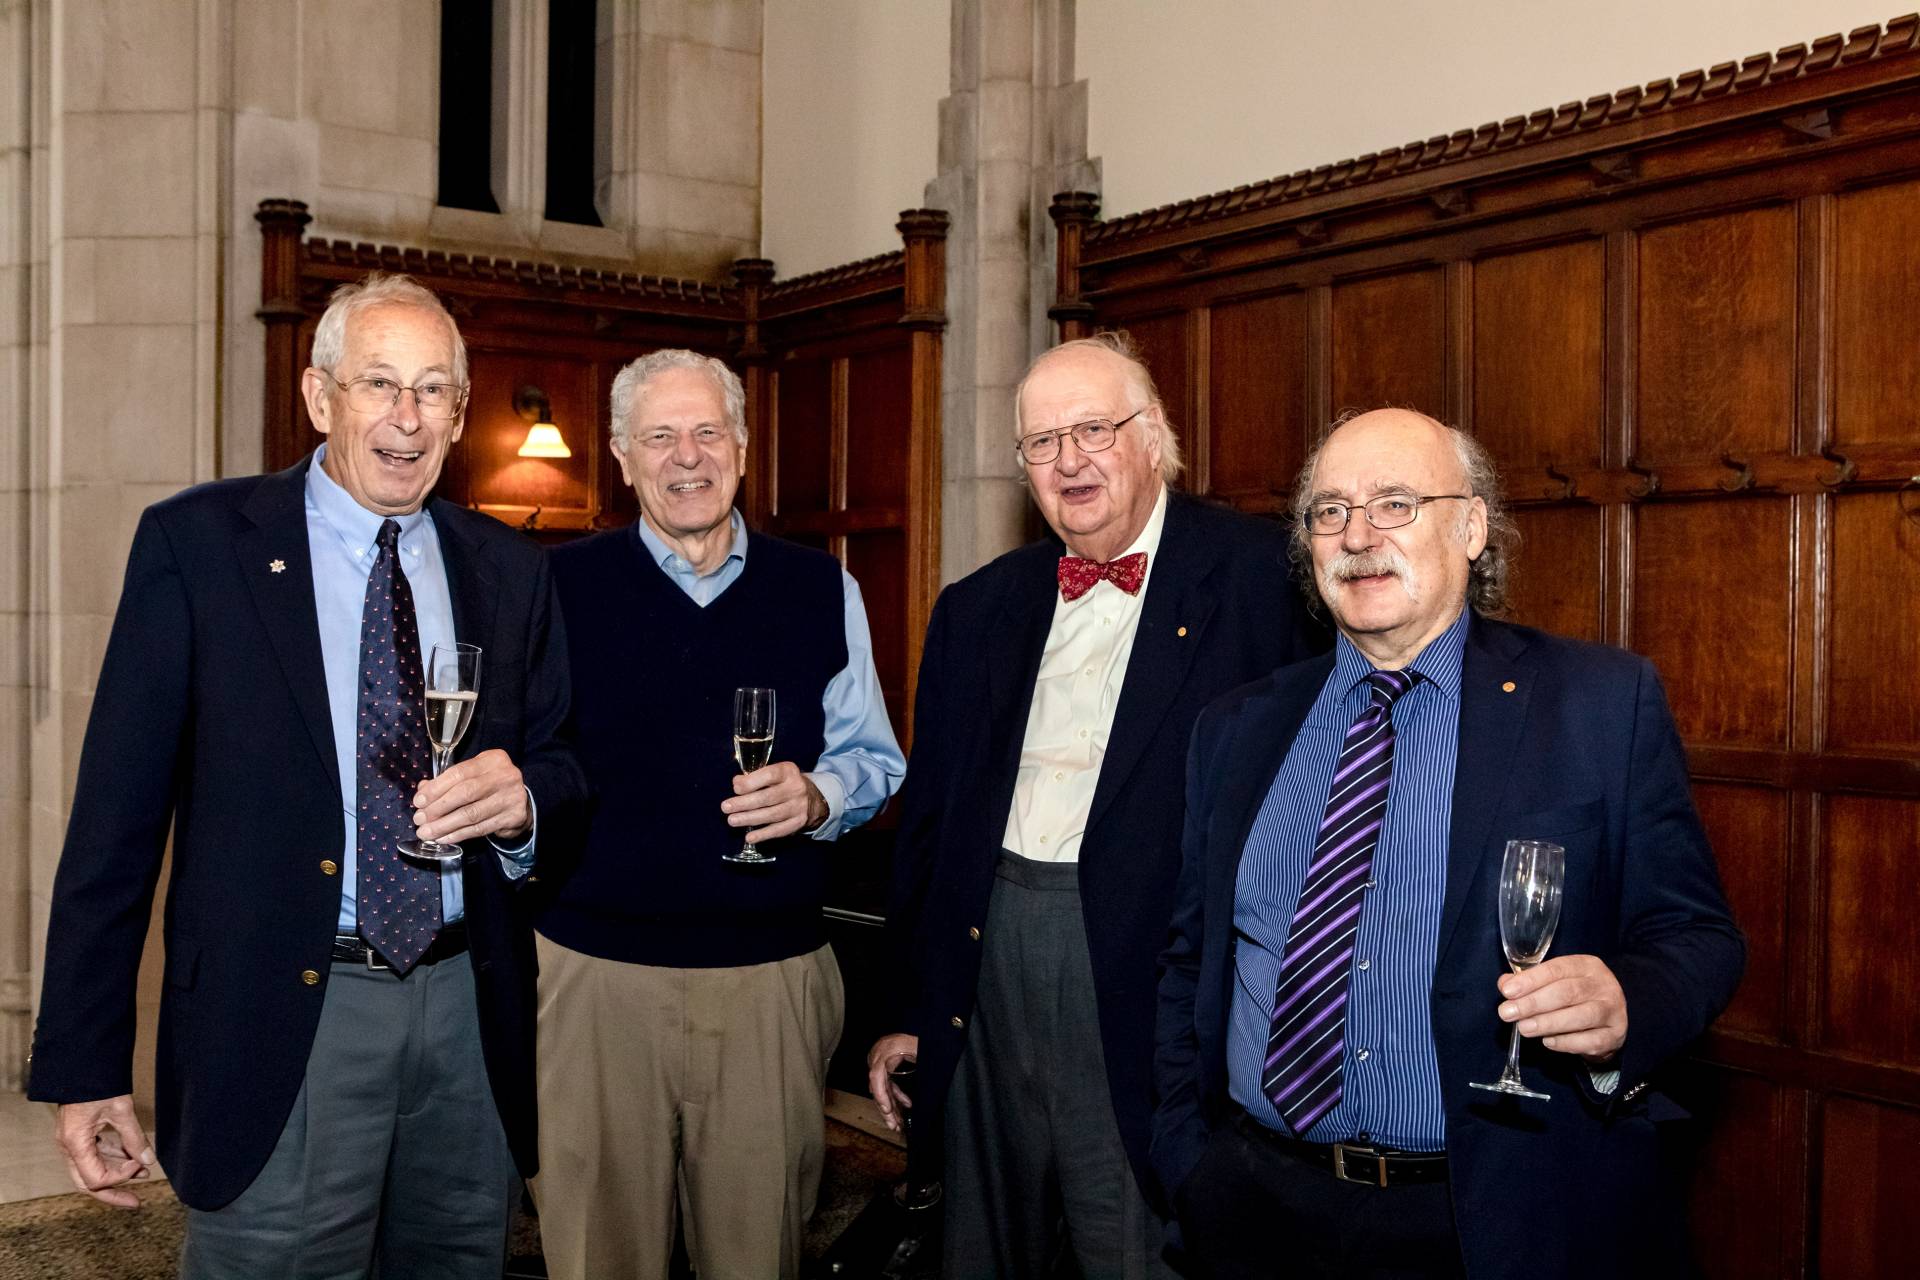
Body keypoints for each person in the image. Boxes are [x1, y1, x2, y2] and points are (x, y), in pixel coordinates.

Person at [27, 273, 586, 1278]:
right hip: (282, 1013)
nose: (406, 419)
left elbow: (562, 758)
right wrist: (85, 1062)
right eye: (380, 383)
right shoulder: (199, 546)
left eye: (432, 392)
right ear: (320, 395)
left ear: (460, 415)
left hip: (467, 1011)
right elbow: (115, 819)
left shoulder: (508, 568)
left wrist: (528, 801)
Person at [1154, 407, 1746, 1279]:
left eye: (1396, 503)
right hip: (1254, 1208)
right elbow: (1189, 961)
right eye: (1329, 511)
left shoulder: (1596, 705)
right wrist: (1187, 1160)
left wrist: (1629, 1003)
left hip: (1489, 1219)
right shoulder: (1238, 728)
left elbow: (1700, 940)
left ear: (1471, 527)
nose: (1358, 535)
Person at [866, 333, 1326, 1278]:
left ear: (1154, 436)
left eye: (1094, 430)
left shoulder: (1260, 577)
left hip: (1151, 972)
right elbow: (933, 825)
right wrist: (910, 1004)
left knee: (1134, 1244)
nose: (1069, 460)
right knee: (983, 1246)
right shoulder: (976, 606)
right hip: (985, 960)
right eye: (1043, 443)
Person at [532, 348, 905, 1280]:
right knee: (596, 1255)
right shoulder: (556, 588)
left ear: (743, 446)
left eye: (707, 432)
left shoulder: (823, 588)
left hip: (770, 979)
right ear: (620, 455)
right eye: (660, 436)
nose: (686, 456)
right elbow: (526, 764)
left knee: (758, 1253)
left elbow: (877, 758)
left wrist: (821, 794)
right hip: (594, 978)